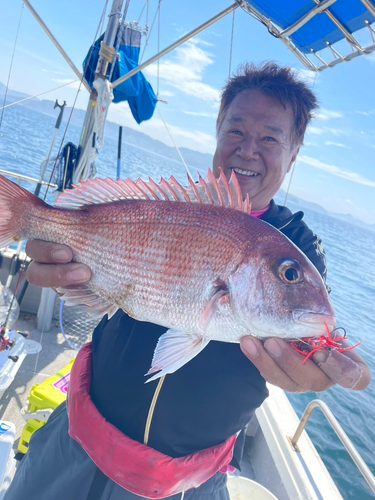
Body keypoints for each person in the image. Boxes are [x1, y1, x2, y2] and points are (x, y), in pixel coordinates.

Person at [5, 62, 370, 500]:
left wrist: (321, 367)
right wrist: (66, 272)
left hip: (184, 481)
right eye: (236, 130)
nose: (249, 149)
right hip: (76, 435)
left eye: (271, 138)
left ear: (294, 153)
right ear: (218, 131)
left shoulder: (298, 248)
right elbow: (96, 280)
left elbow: (315, 336)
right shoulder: (174, 205)